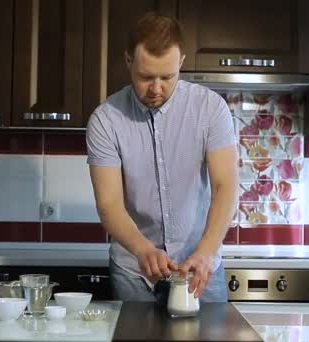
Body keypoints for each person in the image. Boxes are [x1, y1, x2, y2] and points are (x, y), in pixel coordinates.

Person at [86, 12, 238, 303]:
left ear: (180, 63)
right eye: (145, 77)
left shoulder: (211, 110)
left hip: (200, 269)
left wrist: (206, 251)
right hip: (133, 270)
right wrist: (143, 249)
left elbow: (226, 186)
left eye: (167, 77)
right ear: (129, 61)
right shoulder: (106, 120)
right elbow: (109, 204)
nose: (156, 88)